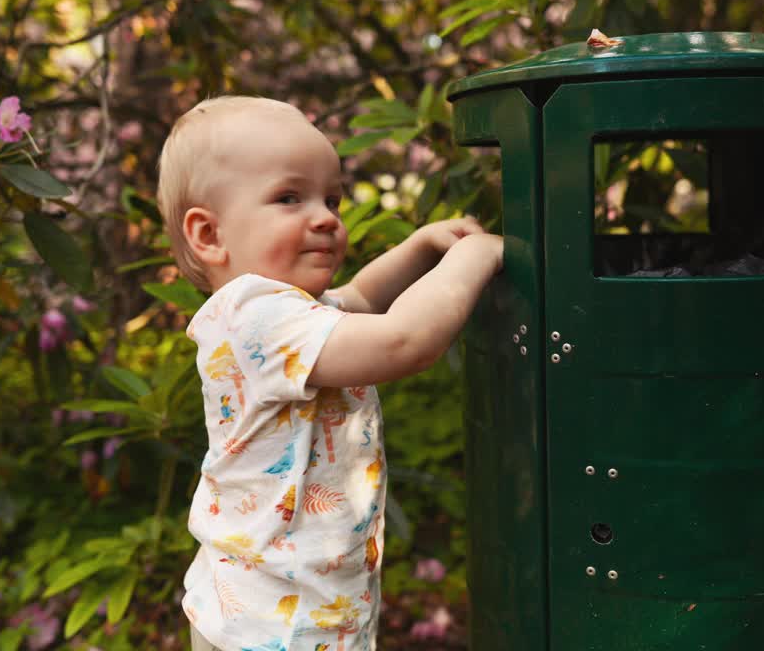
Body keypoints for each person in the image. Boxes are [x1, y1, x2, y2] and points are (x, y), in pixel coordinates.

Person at [155, 95, 503, 651]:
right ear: (209, 235)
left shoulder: (288, 314)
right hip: (269, 625)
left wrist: (419, 250)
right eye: (289, 197)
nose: (324, 217)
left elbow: (361, 296)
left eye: (332, 199)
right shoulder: (256, 316)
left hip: (299, 611)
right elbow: (405, 341)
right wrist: (479, 257)